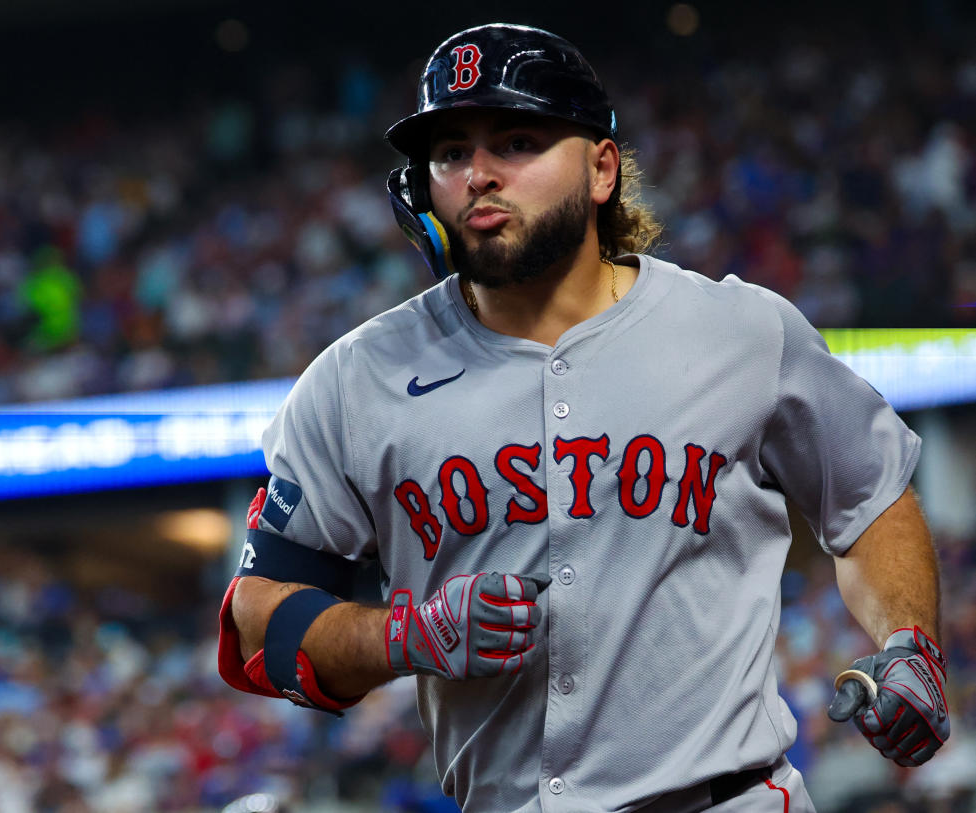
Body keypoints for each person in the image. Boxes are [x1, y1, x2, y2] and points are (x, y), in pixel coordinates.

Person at [217, 23, 949, 812]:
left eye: (518, 140)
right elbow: (257, 619)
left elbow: (870, 499)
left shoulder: (740, 332)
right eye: (450, 153)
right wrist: (404, 637)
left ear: (602, 168)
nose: (477, 175)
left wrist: (907, 639)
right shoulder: (353, 381)